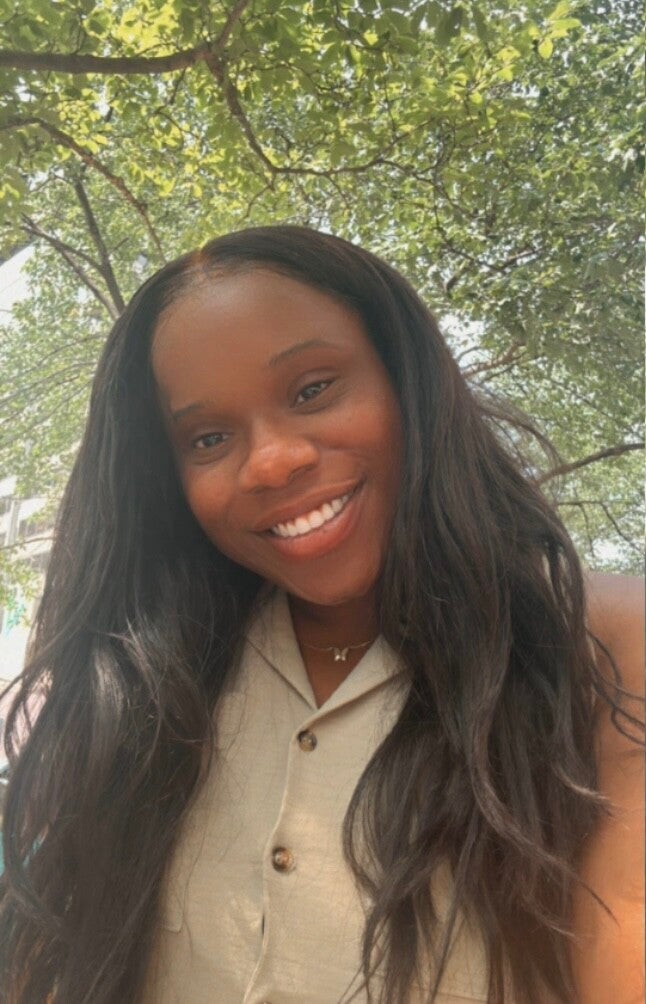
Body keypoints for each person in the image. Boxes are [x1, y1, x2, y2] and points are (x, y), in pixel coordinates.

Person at [0, 225, 642, 1004]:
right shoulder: (138, 688)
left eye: (312, 390)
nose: (273, 461)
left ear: (405, 380)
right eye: (208, 437)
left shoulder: (602, 643)